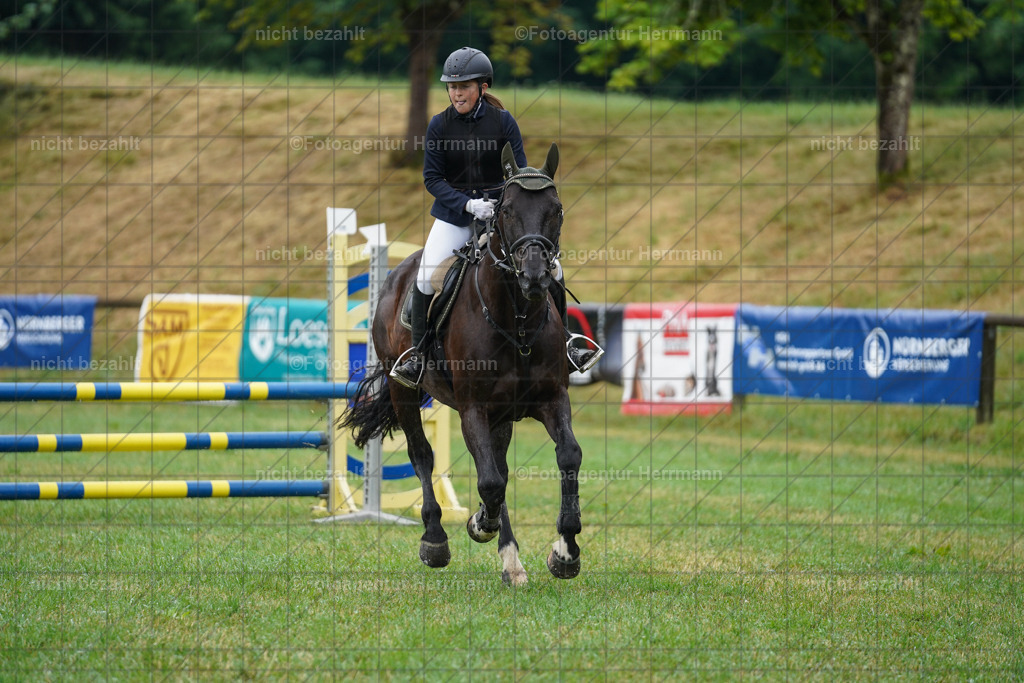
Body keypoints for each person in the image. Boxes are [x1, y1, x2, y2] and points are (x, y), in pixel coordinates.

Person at [390, 47, 603, 388]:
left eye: (464, 86)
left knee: (554, 269)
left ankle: (565, 345)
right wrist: (466, 205)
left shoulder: (503, 122)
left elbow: (517, 175)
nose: (456, 93)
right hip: (454, 216)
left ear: (483, 87)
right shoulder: (438, 126)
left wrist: (499, 203)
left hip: (501, 216)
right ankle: (418, 355)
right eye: (451, 86)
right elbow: (432, 179)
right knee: (426, 275)